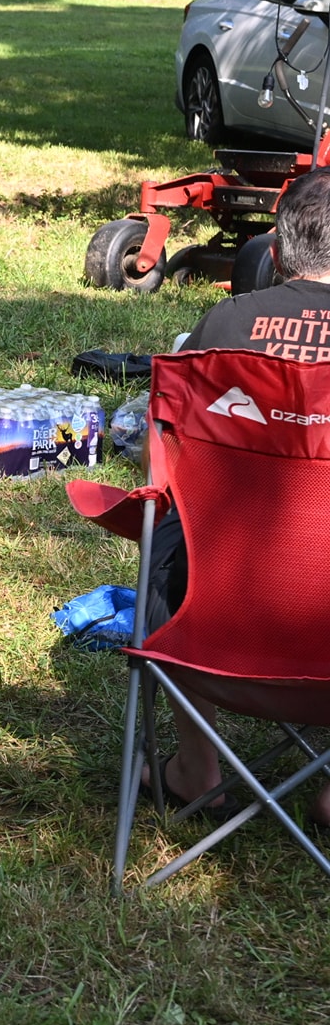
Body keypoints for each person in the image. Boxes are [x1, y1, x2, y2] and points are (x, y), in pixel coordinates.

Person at [148, 167, 330, 823]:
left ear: (274, 254)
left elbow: (161, 462)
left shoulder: (224, 323)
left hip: (217, 614)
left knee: (168, 532)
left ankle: (197, 768)